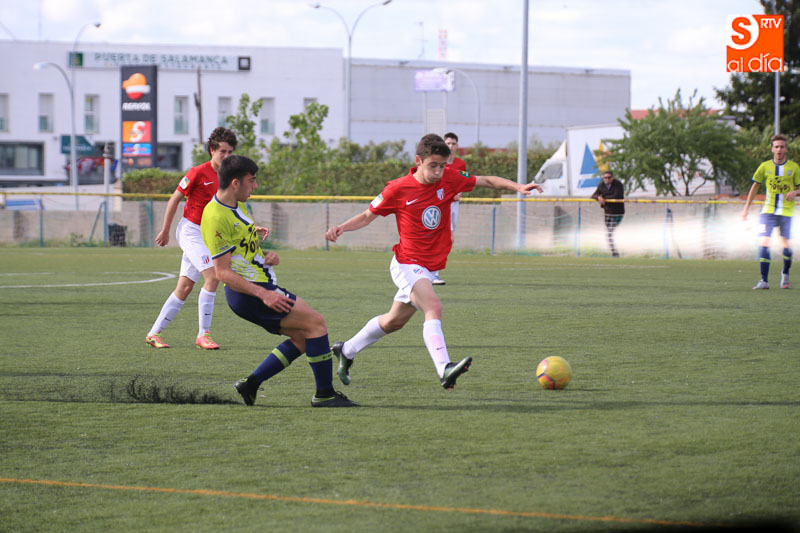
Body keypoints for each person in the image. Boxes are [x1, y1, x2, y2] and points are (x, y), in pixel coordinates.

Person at [325, 133, 542, 390]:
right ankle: (444, 368)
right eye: (433, 166)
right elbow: (366, 216)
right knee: (433, 307)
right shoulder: (397, 189)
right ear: (418, 161)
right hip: (407, 262)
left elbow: (485, 180)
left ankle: (346, 350)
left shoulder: (449, 177)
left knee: (394, 321)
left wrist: (518, 187)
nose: (438, 171)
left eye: (442, 165)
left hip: (429, 267)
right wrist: (341, 228)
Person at [201, 154, 358, 408]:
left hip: (257, 286)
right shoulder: (215, 216)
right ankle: (325, 395)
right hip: (250, 293)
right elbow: (222, 273)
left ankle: (251, 384)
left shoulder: (237, 204)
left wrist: (264, 255)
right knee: (316, 324)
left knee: (303, 337)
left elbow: (241, 249)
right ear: (235, 183)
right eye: (252, 180)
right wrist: (264, 295)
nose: (255, 186)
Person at [145, 127, 238, 350]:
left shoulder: (230, 177)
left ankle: (153, 334)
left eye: (230, 152)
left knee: (185, 286)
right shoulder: (197, 172)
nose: (226, 156)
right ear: (212, 150)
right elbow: (174, 199)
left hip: (210, 235)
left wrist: (251, 226)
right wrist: (166, 230)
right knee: (213, 276)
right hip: (191, 231)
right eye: (222, 151)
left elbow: (233, 207)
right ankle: (203, 335)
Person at [741, 134, 800, 290]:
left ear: (786, 149)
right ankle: (764, 280)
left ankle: (785, 272)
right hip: (767, 211)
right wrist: (746, 208)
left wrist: (796, 192)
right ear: (772, 149)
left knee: (786, 247)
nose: (779, 149)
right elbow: (755, 187)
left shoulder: (794, 168)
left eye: (782, 147)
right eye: (776, 147)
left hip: (786, 212)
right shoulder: (764, 166)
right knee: (764, 242)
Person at [433, 132, 468, 286]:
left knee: (449, 239)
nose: (451, 146)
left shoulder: (461, 164)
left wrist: (460, 192)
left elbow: (464, 181)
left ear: (457, 146)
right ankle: (432, 273)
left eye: (453, 144)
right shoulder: (439, 163)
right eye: (448, 143)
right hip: (441, 204)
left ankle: (433, 271)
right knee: (439, 236)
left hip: (454, 205)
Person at [591, 170, 625, 257]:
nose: (607, 179)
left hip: (617, 213)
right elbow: (593, 195)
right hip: (607, 213)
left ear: (612, 178)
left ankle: (615, 252)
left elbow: (617, 196)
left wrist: (604, 198)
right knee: (609, 233)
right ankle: (614, 251)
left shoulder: (618, 184)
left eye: (609, 177)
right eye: (605, 177)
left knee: (610, 232)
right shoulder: (601, 185)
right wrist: (599, 197)